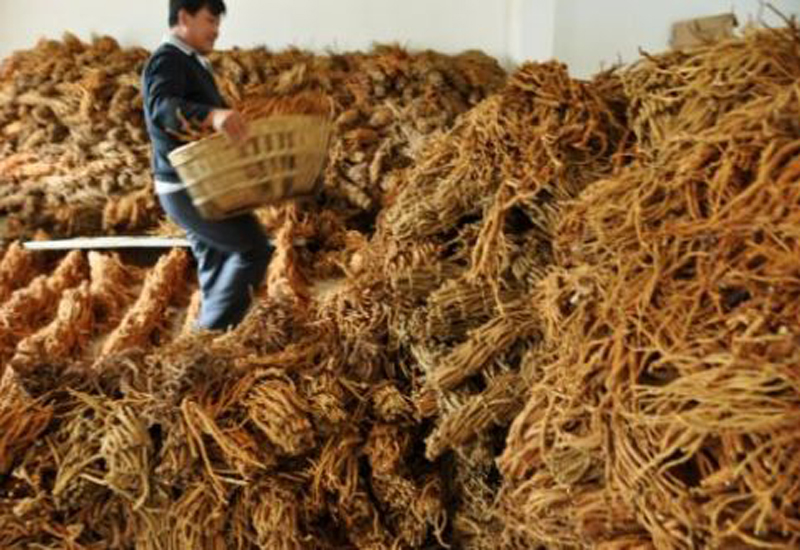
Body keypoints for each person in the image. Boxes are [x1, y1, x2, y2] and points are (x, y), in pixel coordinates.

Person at [142, 0, 273, 331]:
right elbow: (161, 108)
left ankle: (209, 342)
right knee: (252, 249)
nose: (216, 31)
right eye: (210, 20)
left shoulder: (193, 63)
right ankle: (208, 337)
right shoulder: (168, 59)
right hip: (186, 185)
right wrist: (212, 115)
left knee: (218, 259)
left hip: (202, 182)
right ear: (184, 17)